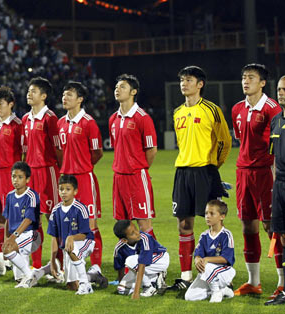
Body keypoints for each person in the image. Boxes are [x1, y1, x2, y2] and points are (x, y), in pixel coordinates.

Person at [169, 66, 232, 290]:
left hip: (205, 171)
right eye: (182, 80)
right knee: (184, 224)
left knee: (213, 222)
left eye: (189, 80)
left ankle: (216, 273)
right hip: (182, 173)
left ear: (200, 84)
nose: (184, 84)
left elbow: (225, 141)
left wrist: (214, 166)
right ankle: (186, 276)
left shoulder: (211, 110)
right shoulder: (177, 112)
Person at [231, 64, 282, 296]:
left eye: (251, 77)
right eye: (243, 77)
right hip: (243, 172)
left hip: (265, 173)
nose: (246, 81)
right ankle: (254, 282)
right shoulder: (237, 109)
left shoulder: (272, 109)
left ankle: (282, 282)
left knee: (272, 227)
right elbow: (240, 138)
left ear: (262, 83)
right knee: (248, 225)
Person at [58, 81, 103, 267]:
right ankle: (72, 265)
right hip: (66, 180)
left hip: (84, 179)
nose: (65, 98)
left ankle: (96, 267)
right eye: (64, 94)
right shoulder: (60, 123)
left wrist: (83, 166)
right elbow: (60, 151)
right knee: (68, 223)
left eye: (69, 94)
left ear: (80, 99)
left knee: (90, 225)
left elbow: (97, 152)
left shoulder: (89, 123)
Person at [109, 74, 157, 238]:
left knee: (144, 223)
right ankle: (128, 262)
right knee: (122, 224)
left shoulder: (142, 118)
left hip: (136, 177)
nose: (118, 90)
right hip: (119, 177)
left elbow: (151, 150)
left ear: (133, 92)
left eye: (122, 87)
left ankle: (152, 258)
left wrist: (139, 168)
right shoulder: (113, 119)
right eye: (116, 87)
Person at [23, 77, 62, 269]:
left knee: (52, 218)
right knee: (33, 219)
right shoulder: (25, 119)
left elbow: (58, 149)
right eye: (29, 91)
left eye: (34, 91)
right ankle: (36, 265)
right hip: (31, 174)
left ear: (44, 96)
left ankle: (59, 263)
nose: (29, 94)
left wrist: (60, 171)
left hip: (48, 172)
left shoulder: (50, 118)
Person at [0, 86, 23, 263]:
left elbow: (23, 152)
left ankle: (14, 254)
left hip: (10, 175)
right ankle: (3, 255)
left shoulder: (18, 126)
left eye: (0, 103)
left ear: (10, 104)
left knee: (13, 216)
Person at [45, 175, 96, 295]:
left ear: (75, 191)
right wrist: (52, 261)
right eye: (61, 189)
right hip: (68, 248)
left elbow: (84, 234)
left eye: (68, 189)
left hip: (85, 242)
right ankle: (94, 276)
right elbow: (54, 237)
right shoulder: (55, 211)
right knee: (71, 286)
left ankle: (85, 284)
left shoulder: (80, 208)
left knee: (73, 250)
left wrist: (71, 237)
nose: (64, 192)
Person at [185, 200, 235, 303]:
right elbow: (198, 253)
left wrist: (206, 259)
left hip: (224, 271)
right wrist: (197, 260)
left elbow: (226, 258)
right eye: (206, 213)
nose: (208, 216)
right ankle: (223, 290)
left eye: (212, 213)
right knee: (190, 297)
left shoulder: (226, 234)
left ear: (222, 216)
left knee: (207, 265)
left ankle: (216, 292)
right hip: (207, 272)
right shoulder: (204, 235)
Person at [1, 161, 41, 288]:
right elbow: (7, 220)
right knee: (18, 278)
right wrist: (6, 238)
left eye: (20, 177)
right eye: (13, 176)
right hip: (16, 235)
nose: (16, 180)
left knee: (9, 250)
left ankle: (30, 275)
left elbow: (29, 219)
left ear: (27, 179)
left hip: (30, 234)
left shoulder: (32, 195)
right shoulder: (9, 196)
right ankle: (31, 276)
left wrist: (13, 238)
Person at [265, 75, 285, 305]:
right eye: (279, 89)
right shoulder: (276, 121)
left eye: (284, 90)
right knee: (282, 236)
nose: (281, 93)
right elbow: (273, 158)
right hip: (279, 186)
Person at [113, 220, 169, 299]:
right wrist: (123, 283)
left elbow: (142, 265)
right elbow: (120, 268)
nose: (137, 233)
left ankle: (149, 287)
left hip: (160, 258)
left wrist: (136, 292)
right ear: (124, 240)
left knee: (130, 261)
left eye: (136, 228)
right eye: (132, 233)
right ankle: (155, 279)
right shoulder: (119, 248)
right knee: (122, 290)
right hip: (140, 265)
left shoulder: (145, 238)